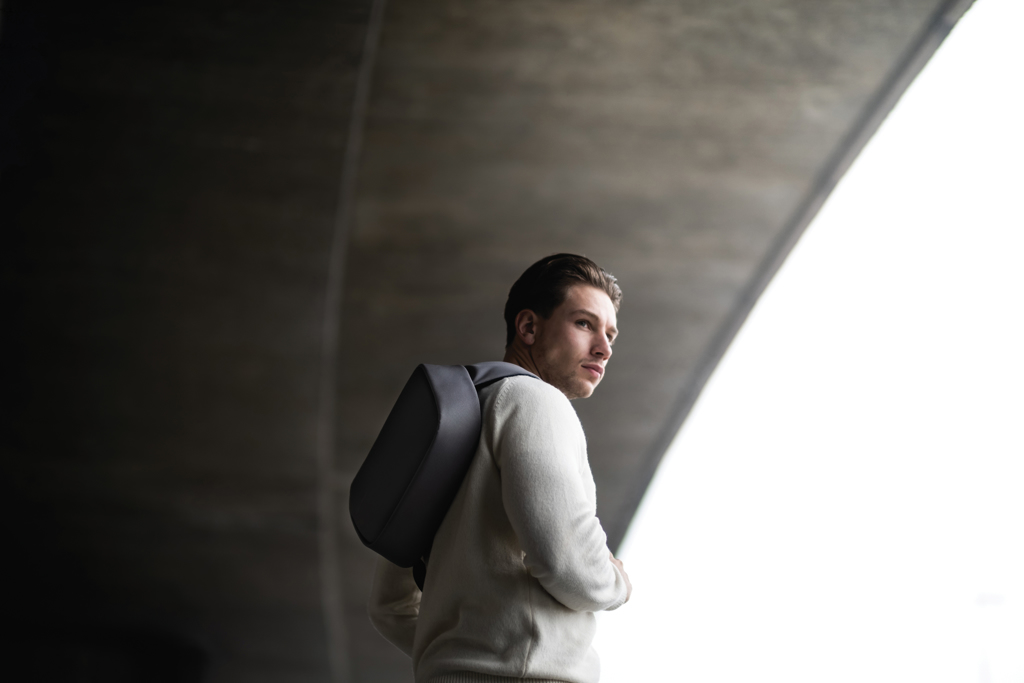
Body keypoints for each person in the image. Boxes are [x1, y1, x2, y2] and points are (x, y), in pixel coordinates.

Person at [368, 253, 632, 683]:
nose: (603, 348)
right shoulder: (536, 401)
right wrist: (618, 582)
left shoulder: (458, 418)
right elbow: (570, 565)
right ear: (528, 327)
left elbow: (389, 605)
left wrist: (461, 651)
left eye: (610, 334)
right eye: (585, 324)